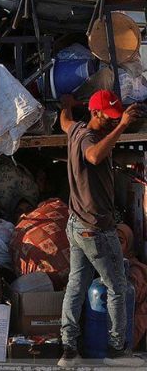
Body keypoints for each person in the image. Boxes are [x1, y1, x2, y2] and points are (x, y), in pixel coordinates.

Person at [57, 91, 141, 367]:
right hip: (96, 229)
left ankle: (69, 351)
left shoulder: (76, 129)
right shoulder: (91, 139)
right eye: (109, 118)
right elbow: (93, 156)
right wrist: (123, 126)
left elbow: (64, 120)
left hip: (76, 225)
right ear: (95, 114)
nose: (112, 122)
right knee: (118, 287)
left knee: (76, 286)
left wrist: (68, 104)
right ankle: (118, 352)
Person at [117, 223, 147, 350]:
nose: (116, 246)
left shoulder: (135, 271)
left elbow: (132, 301)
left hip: (132, 327)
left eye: (120, 241)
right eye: (112, 241)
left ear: (128, 244)